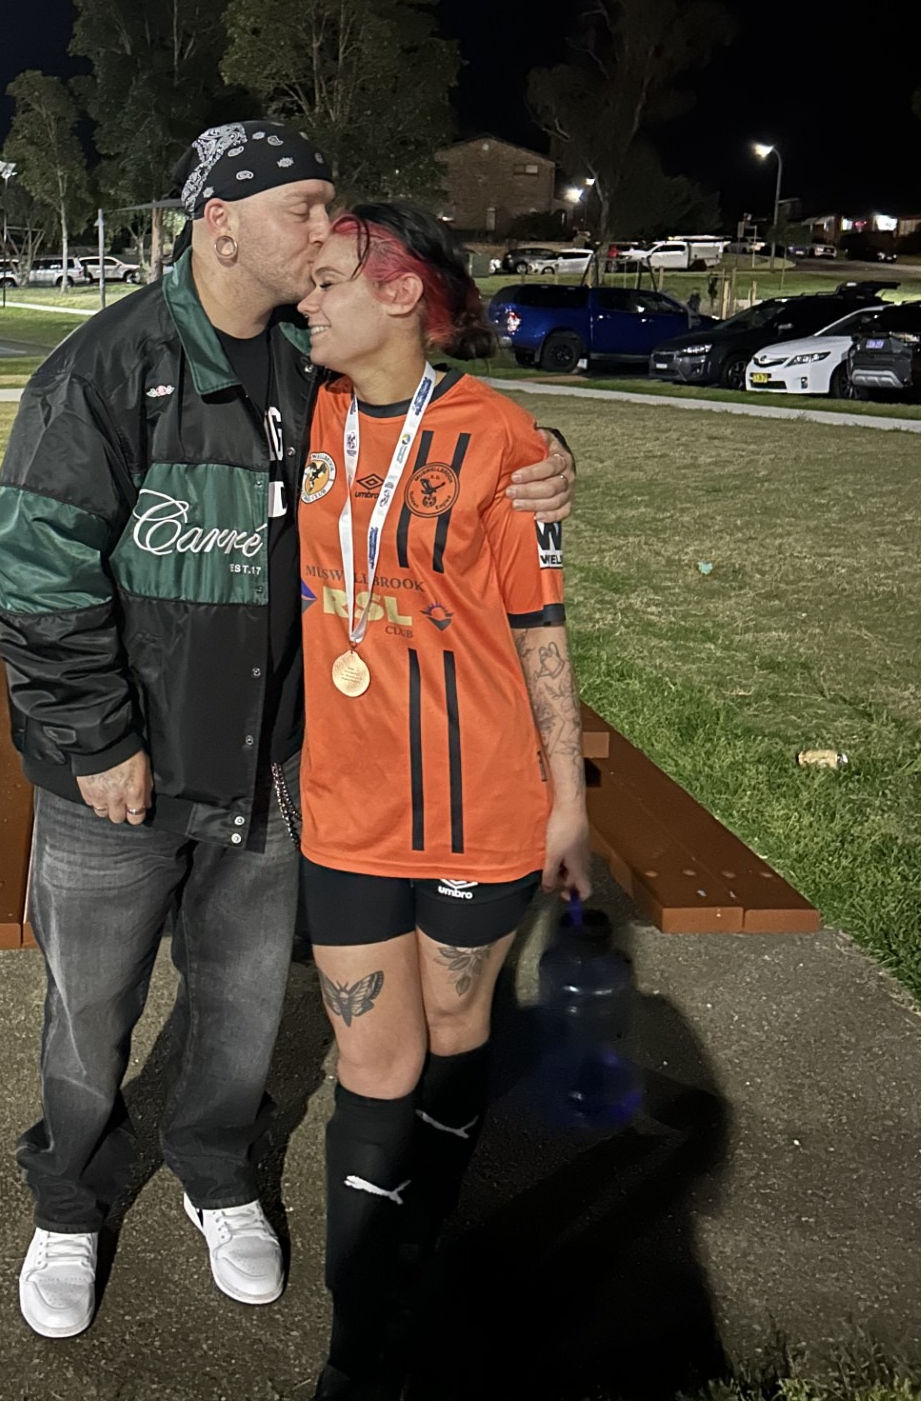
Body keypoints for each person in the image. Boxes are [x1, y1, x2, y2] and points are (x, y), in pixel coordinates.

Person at [0, 123, 576, 1343]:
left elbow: (433, 421)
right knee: (90, 1011)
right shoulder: (103, 369)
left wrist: (545, 457)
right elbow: (38, 569)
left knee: (245, 997)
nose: (326, 232)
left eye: (332, 210)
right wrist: (98, 740)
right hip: (121, 769)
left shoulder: (316, 367)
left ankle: (214, 1170)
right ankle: (70, 1199)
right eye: (304, 208)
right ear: (220, 225)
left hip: (275, 760)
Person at [292, 204, 593, 1401]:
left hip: (483, 805)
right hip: (347, 808)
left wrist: (566, 799)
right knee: (374, 1062)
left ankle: (425, 1241)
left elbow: (540, 625)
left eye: (329, 280)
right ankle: (357, 1343)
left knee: (456, 1035)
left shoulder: (505, 437)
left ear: (404, 292)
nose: (308, 300)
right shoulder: (302, 409)